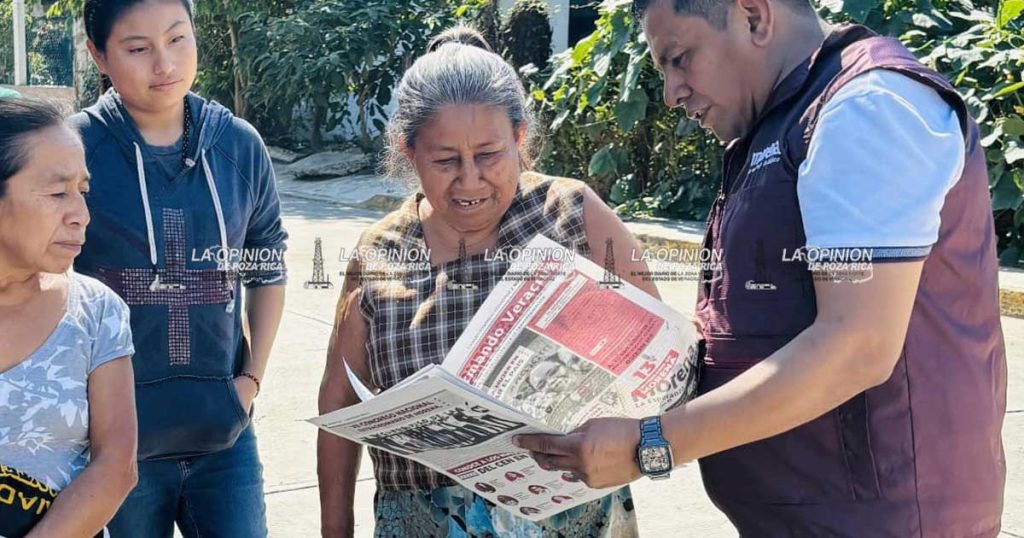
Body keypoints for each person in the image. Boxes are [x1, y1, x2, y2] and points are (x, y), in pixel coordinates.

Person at [516, 0, 1007, 535]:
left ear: (753, 16)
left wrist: (652, 444)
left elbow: (857, 345)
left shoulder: (867, 106)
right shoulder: (775, 125)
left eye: (679, 59)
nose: (671, 93)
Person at [317, 26, 655, 538]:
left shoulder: (573, 216)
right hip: (424, 521)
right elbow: (340, 404)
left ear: (519, 138)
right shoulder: (380, 252)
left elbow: (662, 353)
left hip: (571, 515)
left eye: (490, 155)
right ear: (409, 154)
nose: (470, 180)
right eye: (446, 160)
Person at [70, 0, 288, 536]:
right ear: (99, 54)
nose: (164, 64)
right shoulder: (75, 151)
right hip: (116, 447)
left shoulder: (239, 146)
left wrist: (249, 382)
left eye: (178, 39)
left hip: (224, 438)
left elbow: (268, 267)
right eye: (138, 49)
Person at [0, 98, 137, 538]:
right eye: (58, 192)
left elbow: (117, 463)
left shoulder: (97, 312)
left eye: (83, 191)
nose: (81, 215)